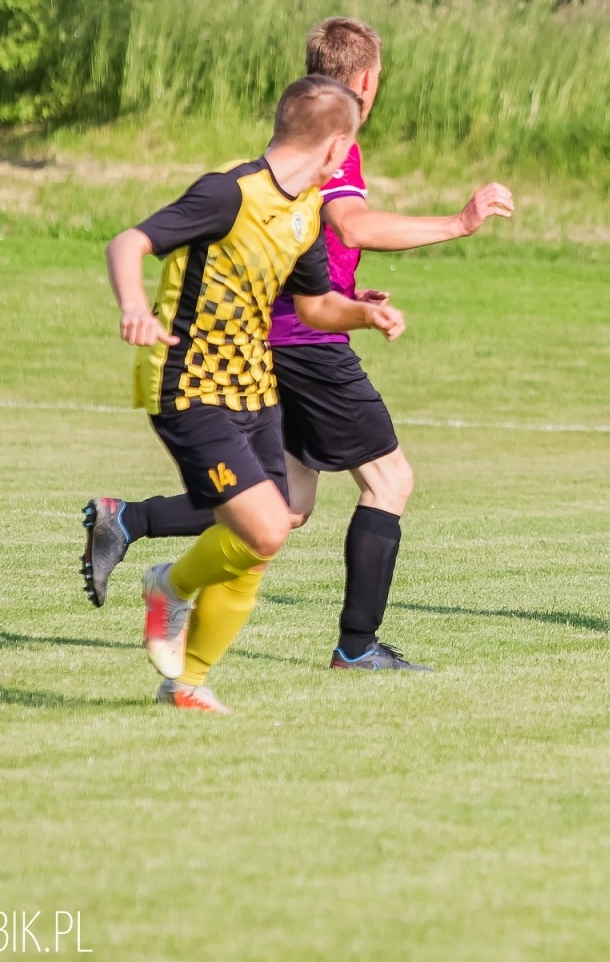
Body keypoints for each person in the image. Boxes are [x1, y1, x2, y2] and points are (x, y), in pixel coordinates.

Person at [82, 17, 514, 673]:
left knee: (286, 506)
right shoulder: (336, 142)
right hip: (303, 342)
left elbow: (307, 246)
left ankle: (128, 520)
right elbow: (351, 222)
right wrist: (458, 223)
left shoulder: (299, 132)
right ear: (368, 79)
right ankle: (356, 646)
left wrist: (350, 300)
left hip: (287, 331)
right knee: (390, 479)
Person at [108, 74, 403, 713]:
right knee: (265, 528)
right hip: (190, 384)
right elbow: (128, 242)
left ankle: (186, 683)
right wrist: (134, 305)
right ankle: (168, 585)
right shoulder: (227, 193)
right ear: (335, 148)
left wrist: (363, 314)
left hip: (256, 388)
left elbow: (317, 305)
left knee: (261, 541)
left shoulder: (304, 208)